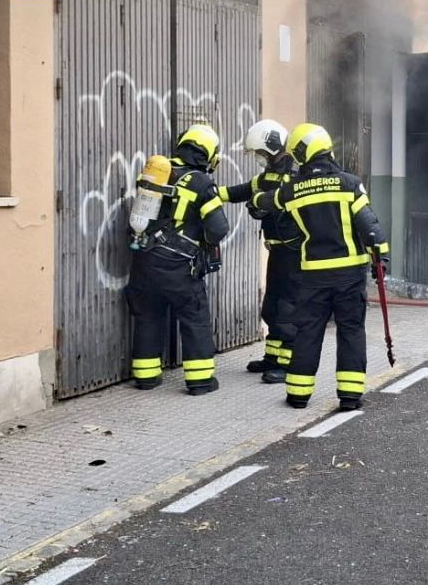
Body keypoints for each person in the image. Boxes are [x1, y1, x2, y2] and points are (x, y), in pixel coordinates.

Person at [252, 123, 389, 411]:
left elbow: (267, 201)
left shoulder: (293, 189)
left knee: (307, 332)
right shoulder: (350, 184)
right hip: (350, 276)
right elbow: (370, 226)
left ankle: (298, 395)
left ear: (302, 153)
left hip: (312, 275)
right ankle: (350, 397)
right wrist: (381, 259)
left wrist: (255, 200)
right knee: (351, 331)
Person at [126, 124, 229, 396]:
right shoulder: (202, 182)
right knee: (194, 318)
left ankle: (146, 377)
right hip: (179, 267)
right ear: (207, 154)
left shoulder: (157, 173)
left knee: (148, 316)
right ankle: (201, 381)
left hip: (144, 260)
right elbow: (218, 228)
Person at [216, 119, 300, 383]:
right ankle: (272, 358)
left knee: (288, 309)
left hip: (294, 251)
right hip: (277, 250)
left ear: (273, 147)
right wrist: (210, 193)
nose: (259, 159)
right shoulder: (269, 174)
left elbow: (284, 203)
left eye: (261, 154)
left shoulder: (296, 174)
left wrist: (264, 206)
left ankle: (288, 365)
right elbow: (244, 191)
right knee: (272, 307)